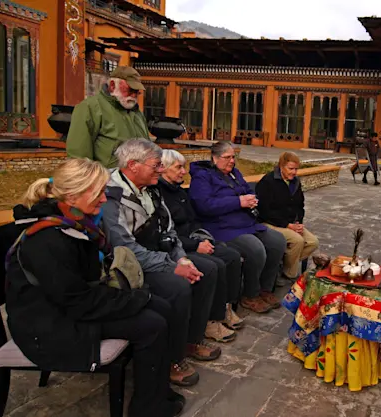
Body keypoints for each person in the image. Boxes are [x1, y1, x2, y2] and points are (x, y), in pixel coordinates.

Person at [4, 158, 185, 417]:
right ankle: (147, 409)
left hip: (70, 304)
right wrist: (134, 299)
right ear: (73, 195)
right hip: (49, 324)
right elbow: (77, 301)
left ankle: (157, 390)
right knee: (151, 324)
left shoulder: (74, 222)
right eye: (98, 192)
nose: (103, 199)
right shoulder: (48, 238)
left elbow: (84, 285)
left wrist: (135, 297)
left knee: (162, 306)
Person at [100, 139, 220, 388]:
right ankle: (171, 359)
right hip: (132, 266)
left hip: (159, 253)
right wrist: (172, 266)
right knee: (177, 286)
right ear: (133, 165)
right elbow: (126, 249)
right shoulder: (112, 196)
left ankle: (190, 340)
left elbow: (169, 229)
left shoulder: (151, 189)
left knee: (205, 270)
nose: (160, 170)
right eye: (155, 165)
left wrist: (182, 258)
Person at [188, 141, 287, 314]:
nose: (232, 161)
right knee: (255, 249)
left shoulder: (234, 173)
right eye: (227, 157)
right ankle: (250, 294)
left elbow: (247, 190)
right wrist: (238, 202)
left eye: (233, 157)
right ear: (215, 158)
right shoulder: (202, 177)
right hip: (221, 227)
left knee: (277, 241)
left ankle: (265, 288)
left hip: (245, 223)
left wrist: (251, 199)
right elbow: (204, 205)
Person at [156, 149, 245, 340]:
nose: (183, 172)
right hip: (179, 247)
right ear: (163, 169)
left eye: (184, 167)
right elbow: (168, 232)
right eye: (178, 167)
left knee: (231, 256)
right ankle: (210, 322)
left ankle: (225, 307)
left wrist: (202, 239)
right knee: (213, 266)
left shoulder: (179, 191)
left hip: (194, 239)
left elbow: (193, 220)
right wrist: (194, 246)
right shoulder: (159, 195)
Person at [66, 66, 150, 168]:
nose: (133, 95)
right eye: (130, 90)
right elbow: (78, 157)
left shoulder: (137, 112)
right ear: (112, 85)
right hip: (107, 176)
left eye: (137, 92)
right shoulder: (90, 108)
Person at [255, 151, 319, 282]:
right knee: (297, 241)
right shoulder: (268, 182)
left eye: (296, 169)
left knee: (313, 242)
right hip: (269, 222)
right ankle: (290, 276)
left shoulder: (295, 182)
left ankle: (284, 266)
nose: (294, 172)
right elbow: (264, 211)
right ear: (281, 166)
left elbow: (300, 206)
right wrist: (287, 225)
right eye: (291, 169)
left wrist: (298, 222)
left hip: (290, 223)